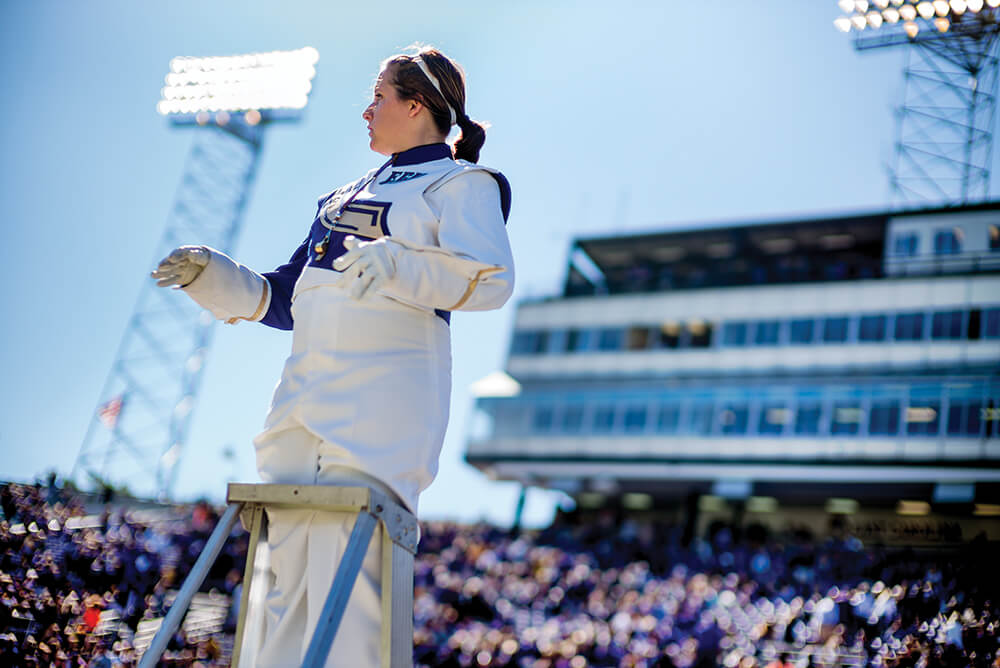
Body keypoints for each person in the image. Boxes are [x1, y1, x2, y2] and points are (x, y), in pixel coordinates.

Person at [151, 46, 514, 666]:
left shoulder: (461, 183)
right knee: (282, 573)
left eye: (378, 96)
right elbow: (284, 299)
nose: (366, 109)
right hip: (301, 396)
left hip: (383, 399)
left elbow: (490, 279)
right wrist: (213, 277)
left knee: (351, 574)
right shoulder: (340, 196)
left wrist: (399, 263)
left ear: (416, 105)